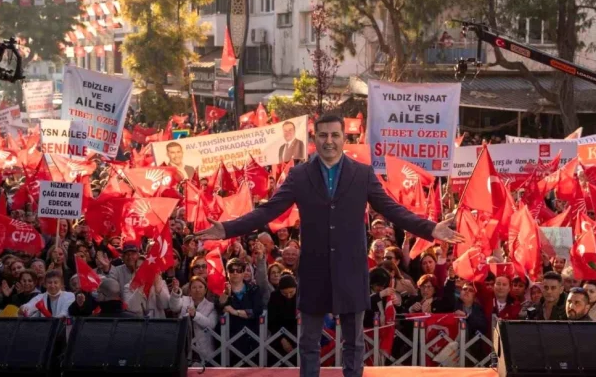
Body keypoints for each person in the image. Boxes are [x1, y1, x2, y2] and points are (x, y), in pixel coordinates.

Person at [197, 113, 464, 377]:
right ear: (315, 138)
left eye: (335, 135)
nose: (329, 141)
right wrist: (225, 229)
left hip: (351, 270)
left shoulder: (362, 173)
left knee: (355, 343)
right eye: (323, 135)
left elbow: (393, 210)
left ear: (343, 138)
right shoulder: (300, 175)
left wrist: (431, 228)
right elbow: (268, 211)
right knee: (308, 343)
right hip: (314, 271)